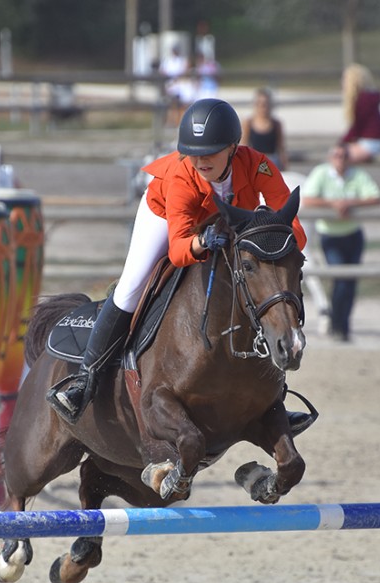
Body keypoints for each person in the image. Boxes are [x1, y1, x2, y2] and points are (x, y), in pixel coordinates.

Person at [47, 97, 308, 426]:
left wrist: (281, 245)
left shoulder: (258, 165)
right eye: (194, 152)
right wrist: (202, 243)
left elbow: (290, 222)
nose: (201, 160)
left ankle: (274, 399)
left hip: (225, 222)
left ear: (232, 147)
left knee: (259, 294)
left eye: (210, 152)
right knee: (131, 286)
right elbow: (178, 248)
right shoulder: (182, 178)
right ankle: (85, 381)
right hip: (164, 214)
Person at [300, 143, 380, 342]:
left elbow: (376, 197)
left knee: (351, 281)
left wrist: (350, 203)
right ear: (330, 158)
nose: (340, 159)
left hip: (353, 234)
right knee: (340, 280)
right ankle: (336, 324)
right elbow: (308, 199)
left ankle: (343, 327)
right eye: (337, 155)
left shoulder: (358, 175)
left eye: (344, 155)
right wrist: (333, 204)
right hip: (330, 235)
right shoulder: (321, 174)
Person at [340, 63, 380, 164]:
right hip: (372, 140)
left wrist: (341, 143)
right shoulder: (368, 98)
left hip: (371, 143)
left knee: (338, 157)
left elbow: (357, 126)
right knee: (338, 155)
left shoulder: (362, 100)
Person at [241, 88, 288, 171]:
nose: (263, 107)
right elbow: (244, 146)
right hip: (255, 161)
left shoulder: (276, 124)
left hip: (272, 161)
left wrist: (285, 166)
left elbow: (281, 148)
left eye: (265, 104)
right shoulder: (248, 123)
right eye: (260, 104)